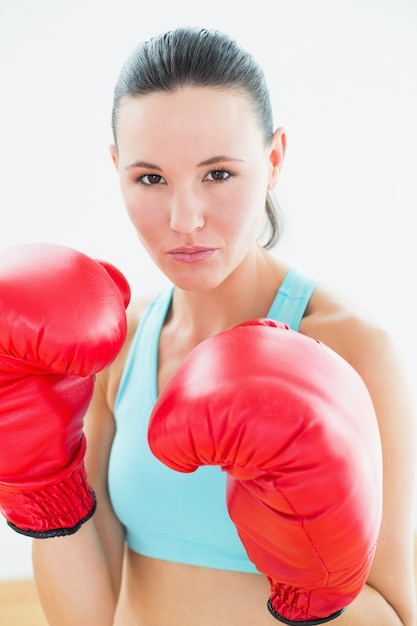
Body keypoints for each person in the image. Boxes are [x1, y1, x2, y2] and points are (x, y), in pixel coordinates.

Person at [1, 26, 415, 626]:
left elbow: (396, 618)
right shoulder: (117, 346)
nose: (184, 218)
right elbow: (83, 618)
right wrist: (43, 493)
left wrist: (314, 590)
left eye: (218, 174)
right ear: (117, 169)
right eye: (151, 178)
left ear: (273, 161)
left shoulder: (355, 350)